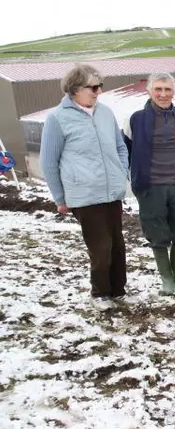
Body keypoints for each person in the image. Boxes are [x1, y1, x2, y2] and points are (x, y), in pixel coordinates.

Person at [40, 64, 129, 302]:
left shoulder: (105, 113)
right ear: (75, 89)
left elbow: (120, 147)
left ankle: (118, 291)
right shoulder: (57, 119)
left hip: (112, 192)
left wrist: (122, 171)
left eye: (100, 85)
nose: (98, 91)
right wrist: (60, 198)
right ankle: (100, 293)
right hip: (85, 195)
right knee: (101, 250)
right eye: (93, 86)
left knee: (117, 247)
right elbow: (48, 162)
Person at [122, 72, 175, 296]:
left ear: (174, 92)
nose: (163, 94)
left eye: (167, 90)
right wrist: (135, 182)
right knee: (157, 234)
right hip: (150, 186)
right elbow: (126, 152)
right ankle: (167, 279)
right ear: (149, 91)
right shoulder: (135, 119)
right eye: (158, 89)